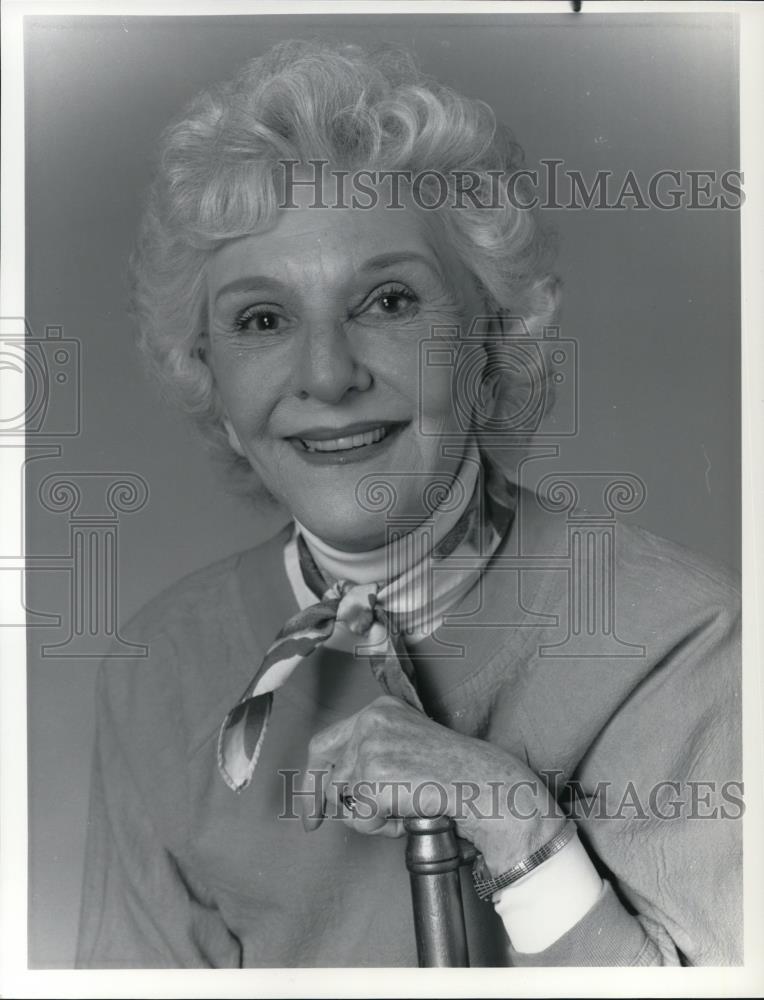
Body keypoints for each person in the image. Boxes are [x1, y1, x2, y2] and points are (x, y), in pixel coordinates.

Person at [75, 39, 741, 968]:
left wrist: (513, 822)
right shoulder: (158, 674)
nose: (327, 375)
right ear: (211, 386)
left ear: (494, 336)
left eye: (387, 301)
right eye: (262, 321)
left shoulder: (686, 640)